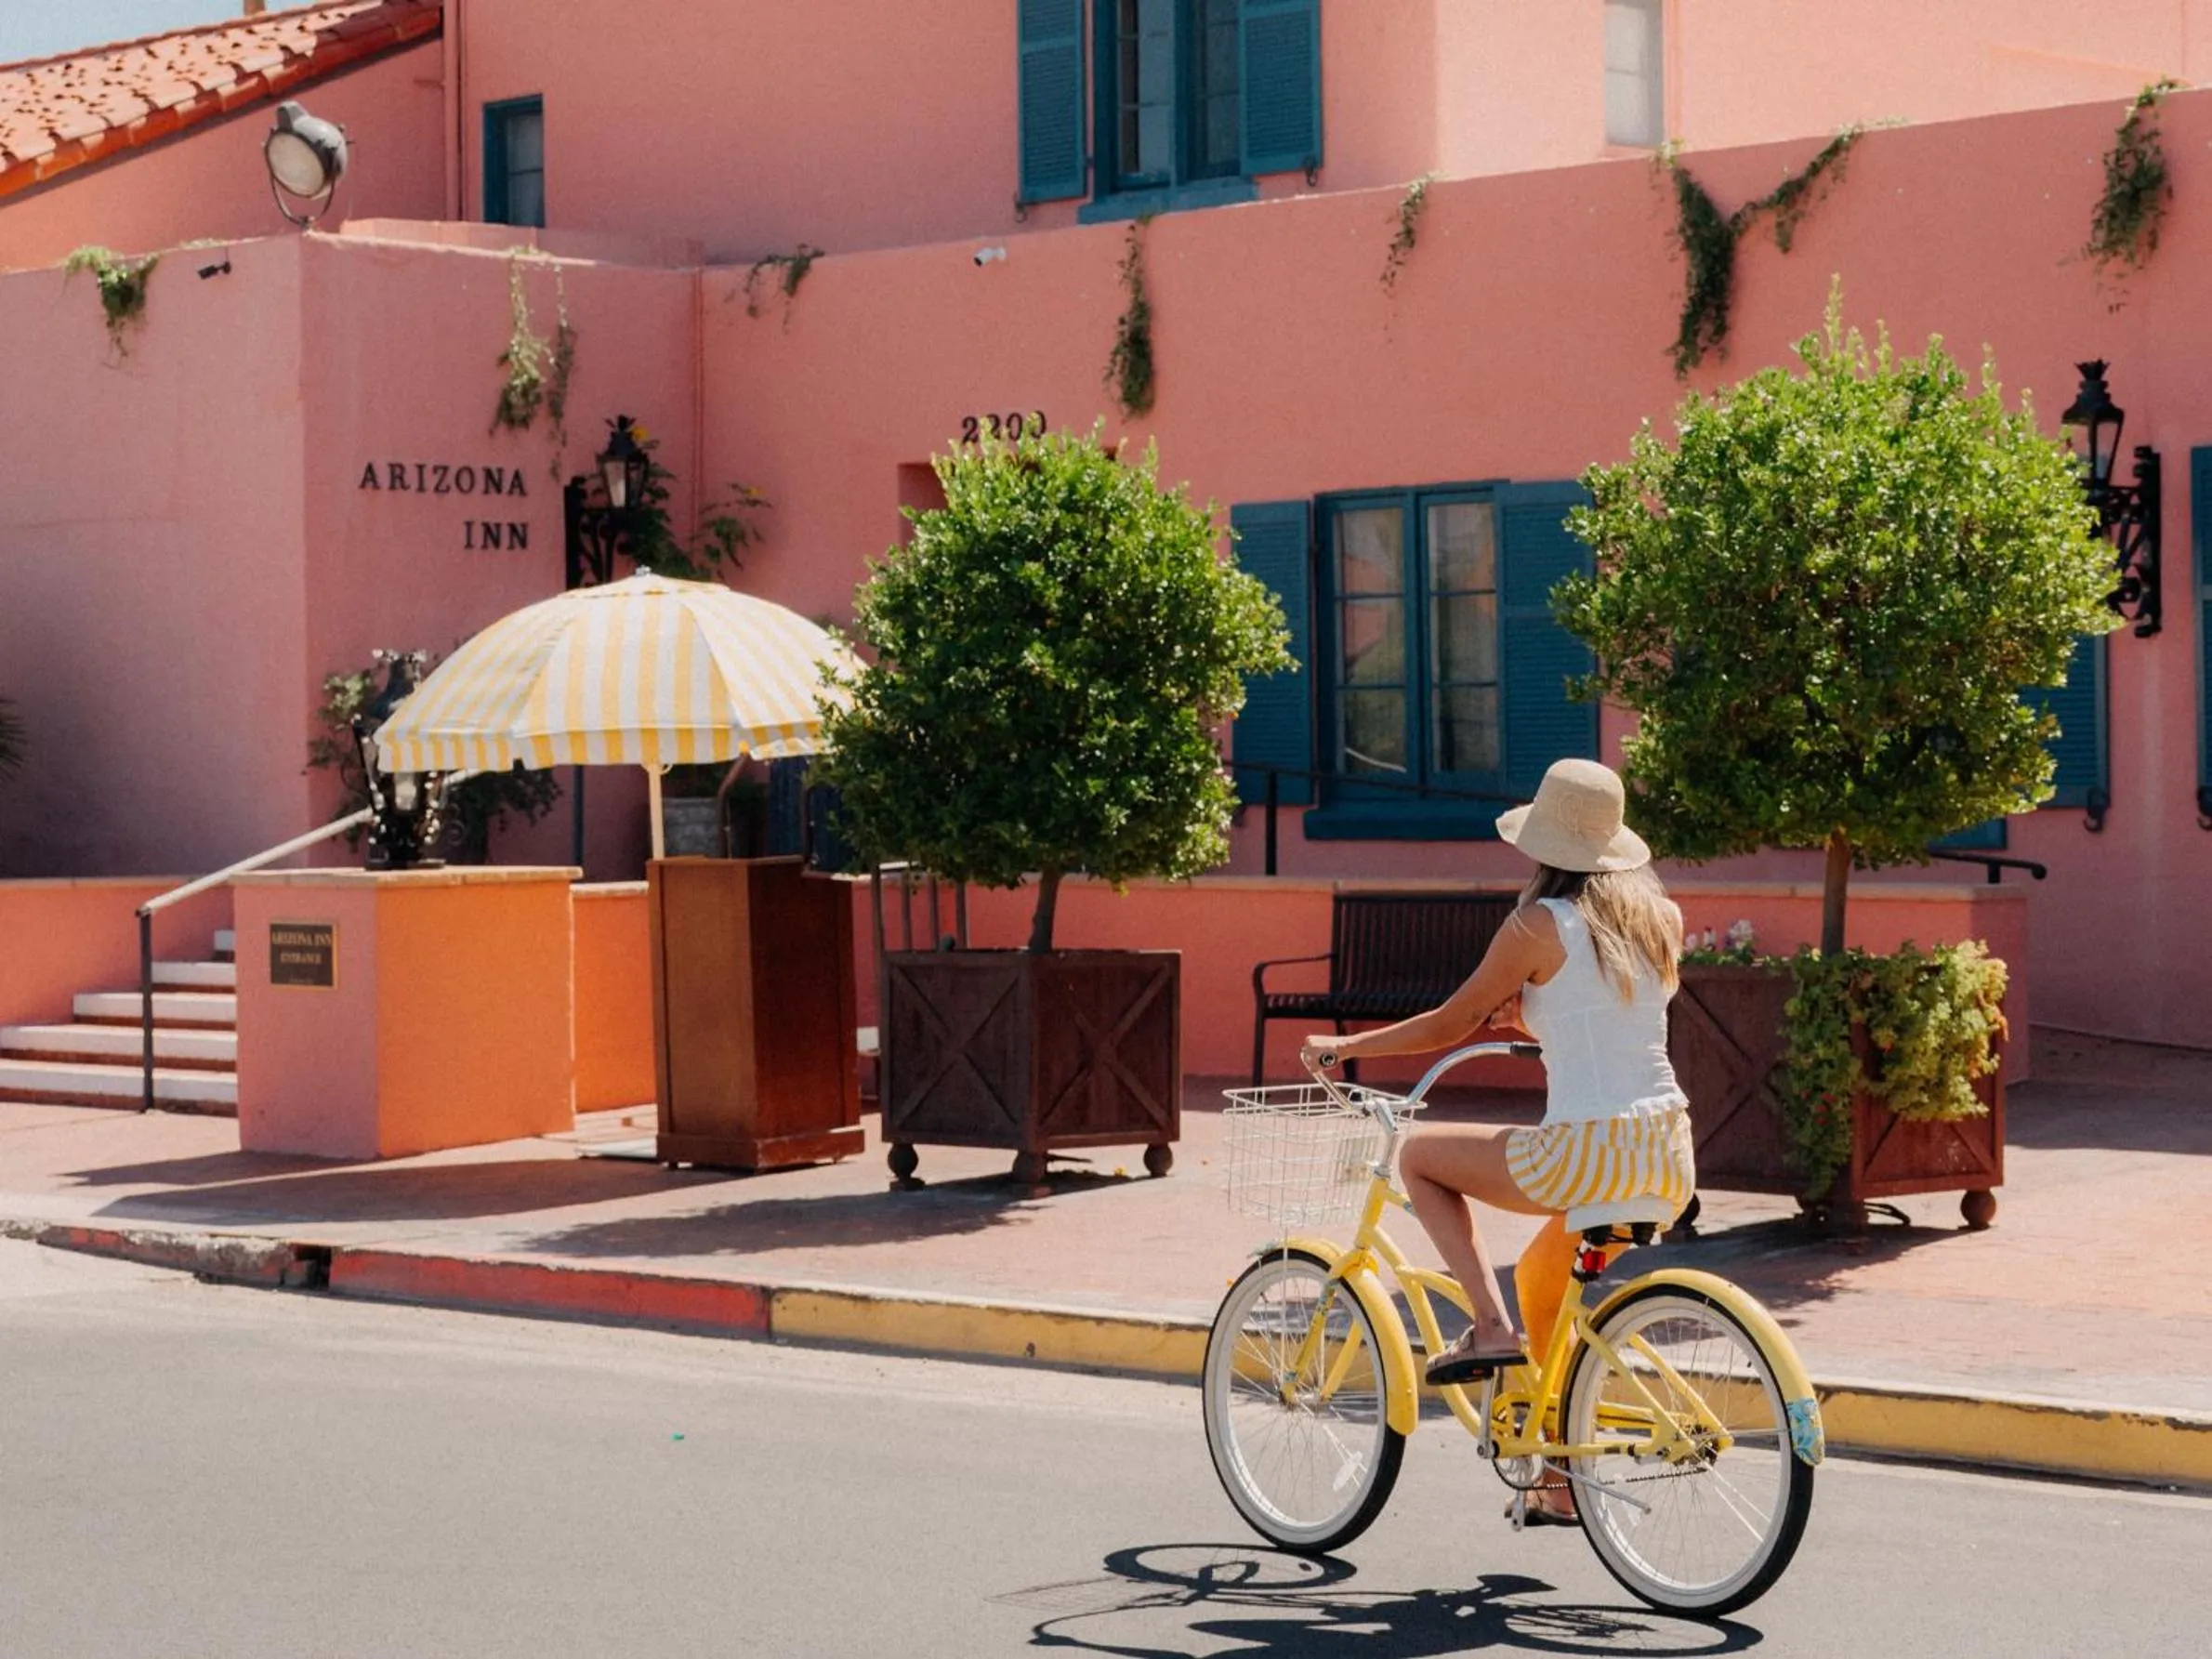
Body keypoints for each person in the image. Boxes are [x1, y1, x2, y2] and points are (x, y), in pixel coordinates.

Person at [1301, 757, 1694, 1521]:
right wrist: (1533, 1016)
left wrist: (1344, 1049)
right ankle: (1555, 1477)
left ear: (1545, 844)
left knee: (1418, 1155)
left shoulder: (1536, 924)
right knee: (1545, 1278)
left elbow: (1449, 1022)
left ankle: (1484, 1326)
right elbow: (1611, 1016)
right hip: (1667, 1148)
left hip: (1584, 1150)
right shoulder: (1658, 919)